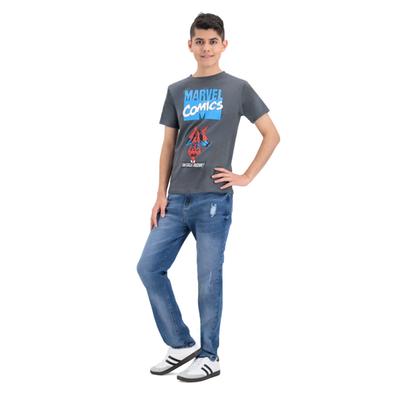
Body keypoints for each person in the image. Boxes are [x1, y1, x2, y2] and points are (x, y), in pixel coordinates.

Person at [136, 12, 280, 382]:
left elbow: (272, 134)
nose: (206, 48)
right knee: (149, 267)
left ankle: (210, 355)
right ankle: (180, 344)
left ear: (224, 45)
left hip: (213, 200)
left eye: (213, 41)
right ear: (190, 45)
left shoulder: (238, 88)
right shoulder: (176, 90)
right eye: (199, 41)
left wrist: (245, 176)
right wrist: (160, 194)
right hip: (176, 200)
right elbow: (168, 145)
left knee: (208, 279)